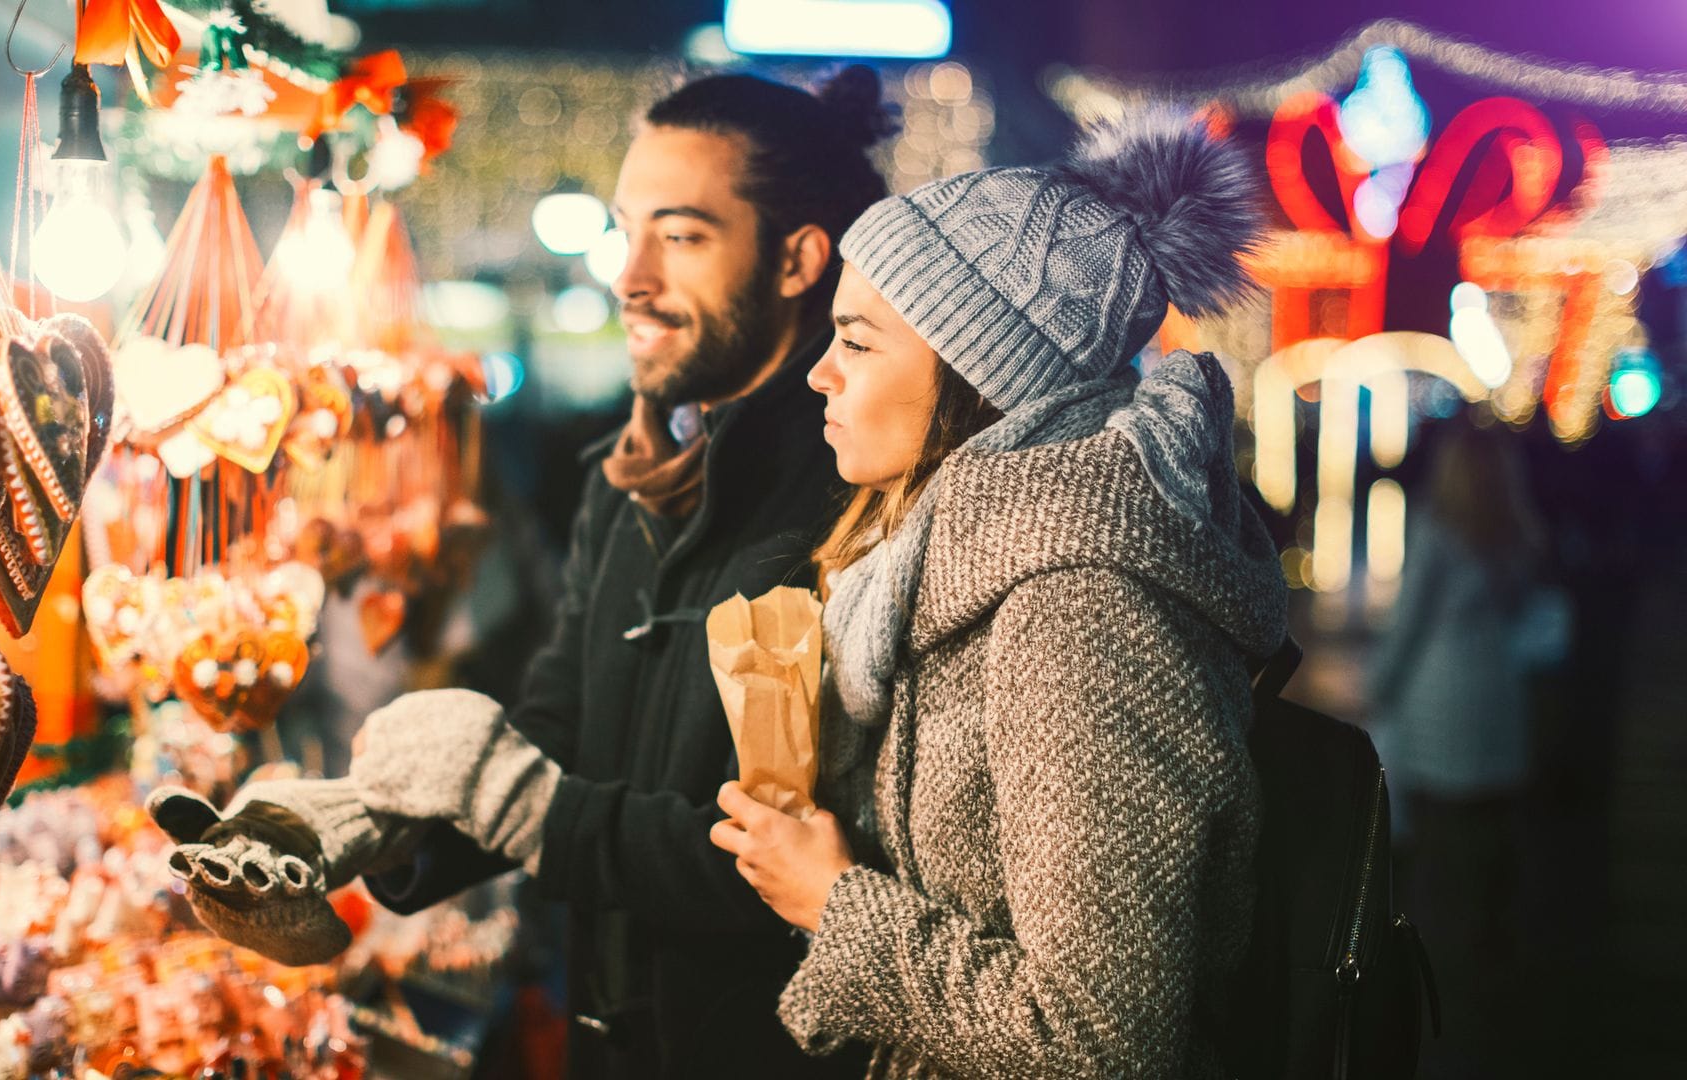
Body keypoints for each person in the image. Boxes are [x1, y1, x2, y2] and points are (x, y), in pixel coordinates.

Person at [147, 69, 895, 1079]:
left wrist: (532, 809)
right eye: (626, 231)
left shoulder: (861, 504)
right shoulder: (625, 482)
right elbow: (558, 724)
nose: (629, 277)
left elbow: (811, 859)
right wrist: (383, 822)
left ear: (800, 258)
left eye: (680, 236)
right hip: (604, 1038)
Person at [706, 114, 1289, 1078]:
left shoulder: (1079, 611)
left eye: (855, 342)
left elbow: (1100, 1042)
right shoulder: (925, 566)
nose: (820, 374)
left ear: (981, 375)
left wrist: (833, 901)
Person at [1370, 420, 1561, 1079]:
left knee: (1436, 848)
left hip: (1439, 702)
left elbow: (1408, 625)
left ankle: (1438, 978)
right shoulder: (1515, 533)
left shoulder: (1433, 531)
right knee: (1490, 840)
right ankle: (1492, 963)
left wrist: (1380, 688)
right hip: (1499, 701)